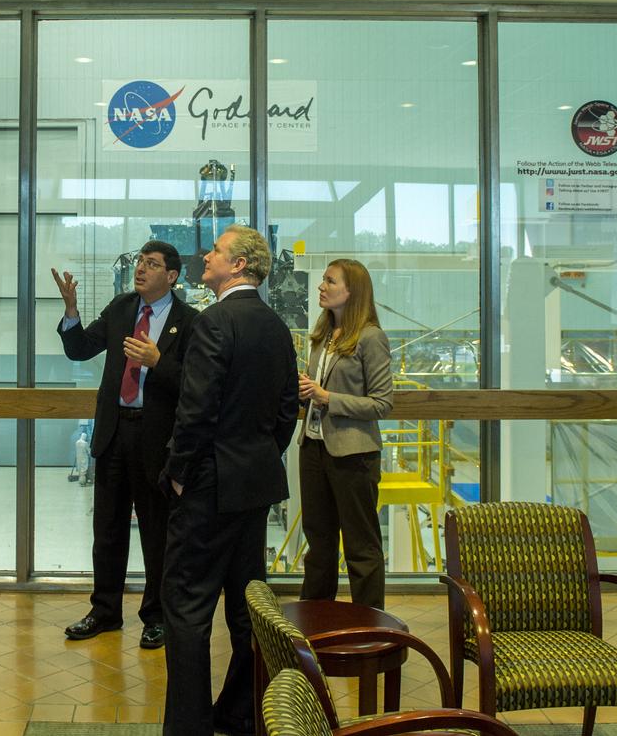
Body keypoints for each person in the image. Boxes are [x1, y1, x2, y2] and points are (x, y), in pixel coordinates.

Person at [160, 225, 299, 736]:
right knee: (247, 610)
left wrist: (178, 474)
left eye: (216, 250)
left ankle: (188, 727)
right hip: (254, 486)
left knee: (188, 607)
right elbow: (287, 411)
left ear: (239, 265)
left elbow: (195, 411)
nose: (207, 255)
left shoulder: (214, 323)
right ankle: (240, 713)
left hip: (207, 489)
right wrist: (258, 457)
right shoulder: (276, 327)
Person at [52, 240, 197, 650]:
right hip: (115, 433)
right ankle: (104, 611)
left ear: (171, 276)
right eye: (140, 262)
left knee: (157, 534)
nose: (141, 269)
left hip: (157, 440)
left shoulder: (188, 321)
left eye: (152, 264)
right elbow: (80, 350)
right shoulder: (121, 308)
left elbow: (194, 382)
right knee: (108, 530)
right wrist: (71, 311)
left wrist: (157, 362)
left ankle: (156, 617)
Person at [297, 258, 394, 609]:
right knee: (319, 545)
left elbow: (382, 404)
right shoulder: (322, 337)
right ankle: (315, 627)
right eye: (323, 280)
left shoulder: (370, 338)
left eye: (330, 281)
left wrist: (327, 398)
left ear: (352, 292)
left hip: (354, 455)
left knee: (361, 549)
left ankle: (369, 630)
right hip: (313, 449)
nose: (321, 287)